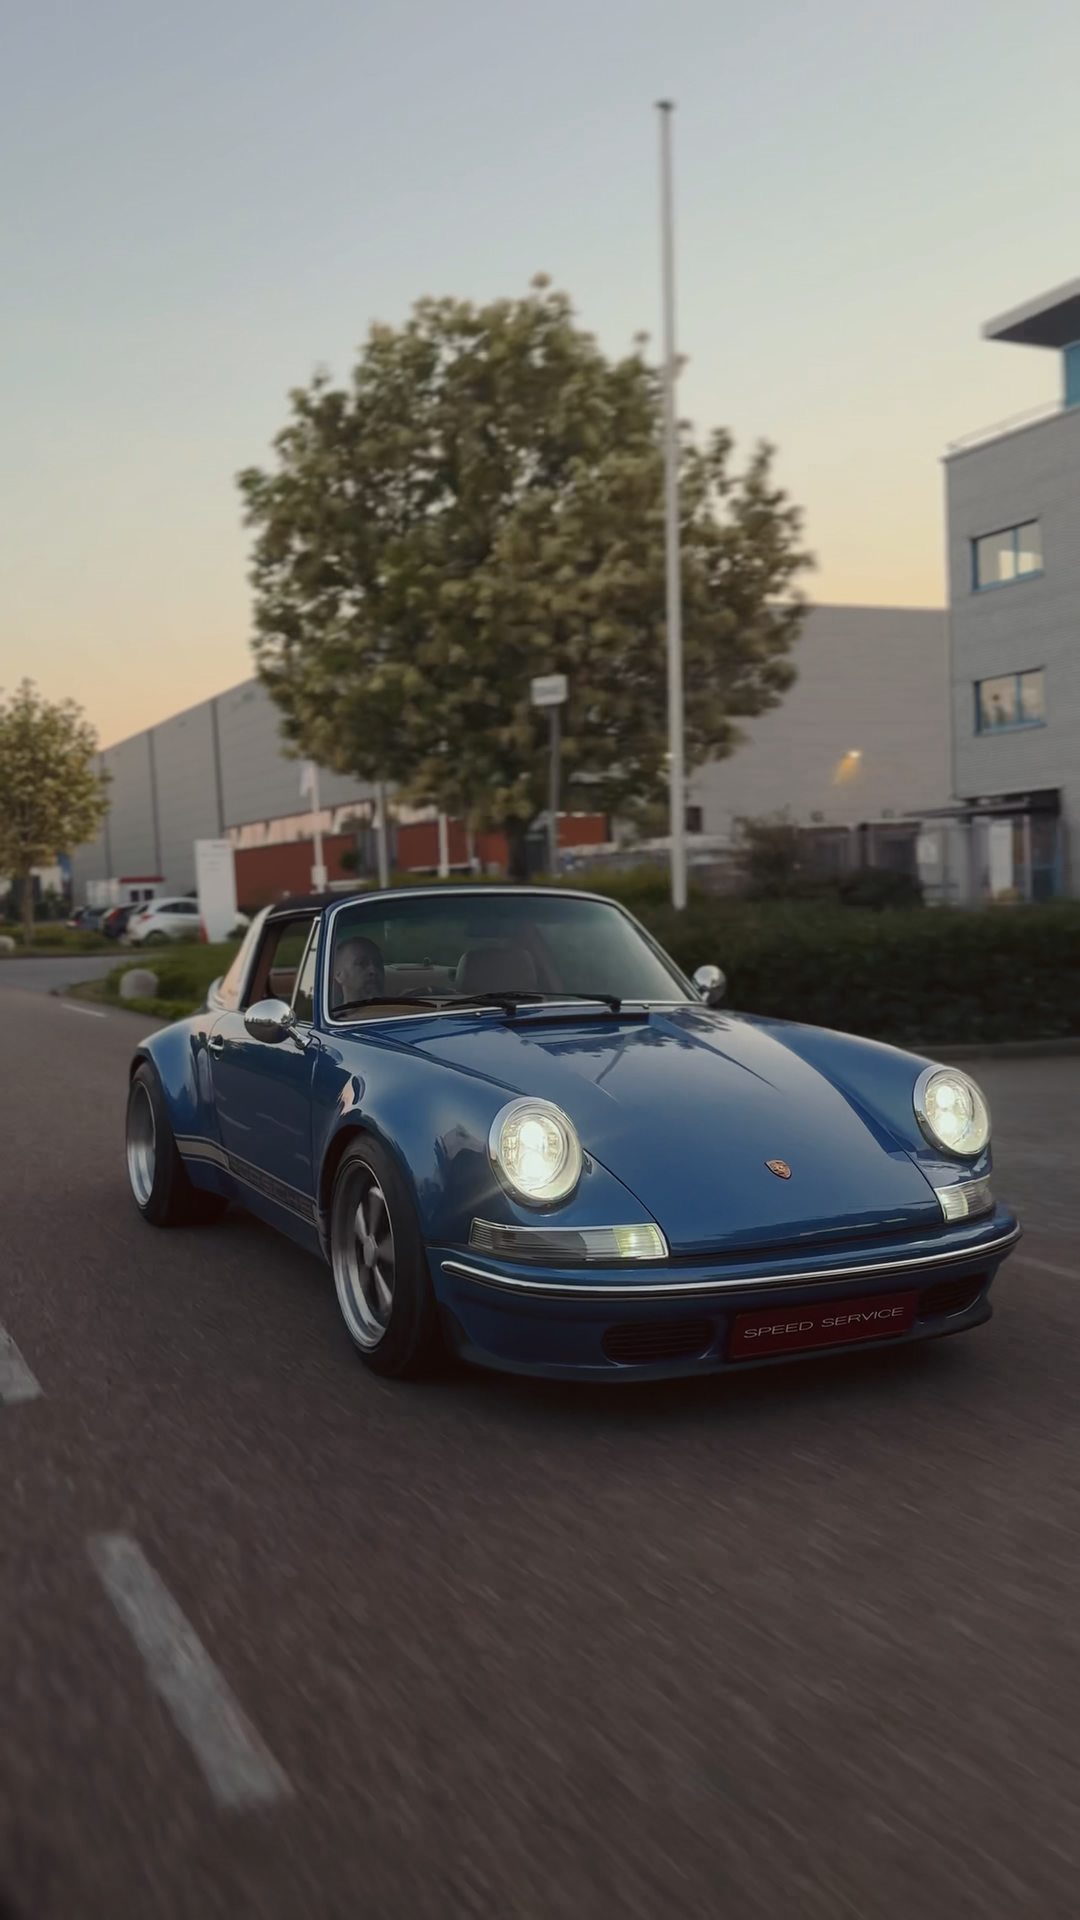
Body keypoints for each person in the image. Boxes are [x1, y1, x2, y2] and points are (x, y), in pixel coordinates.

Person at [331, 934, 385, 1008]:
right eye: (361, 963)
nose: (373, 970)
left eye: (378, 963)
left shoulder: (402, 1011)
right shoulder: (334, 1018)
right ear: (339, 975)